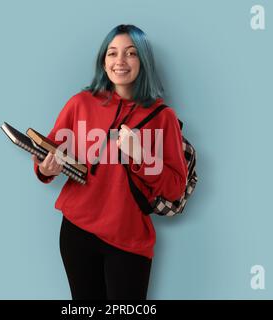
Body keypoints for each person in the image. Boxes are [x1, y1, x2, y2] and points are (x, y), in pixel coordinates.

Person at [32, 24, 187, 300]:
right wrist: (44, 168)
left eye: (131, 53)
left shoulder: (163, 117)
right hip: (76, 231)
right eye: (112, 53)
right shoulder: (80, 103)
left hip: (129, 240)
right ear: (103, 61)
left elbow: (176, 187)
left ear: (144, 61)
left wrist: (141, 156)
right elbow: (49, 151)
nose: (120, 61)